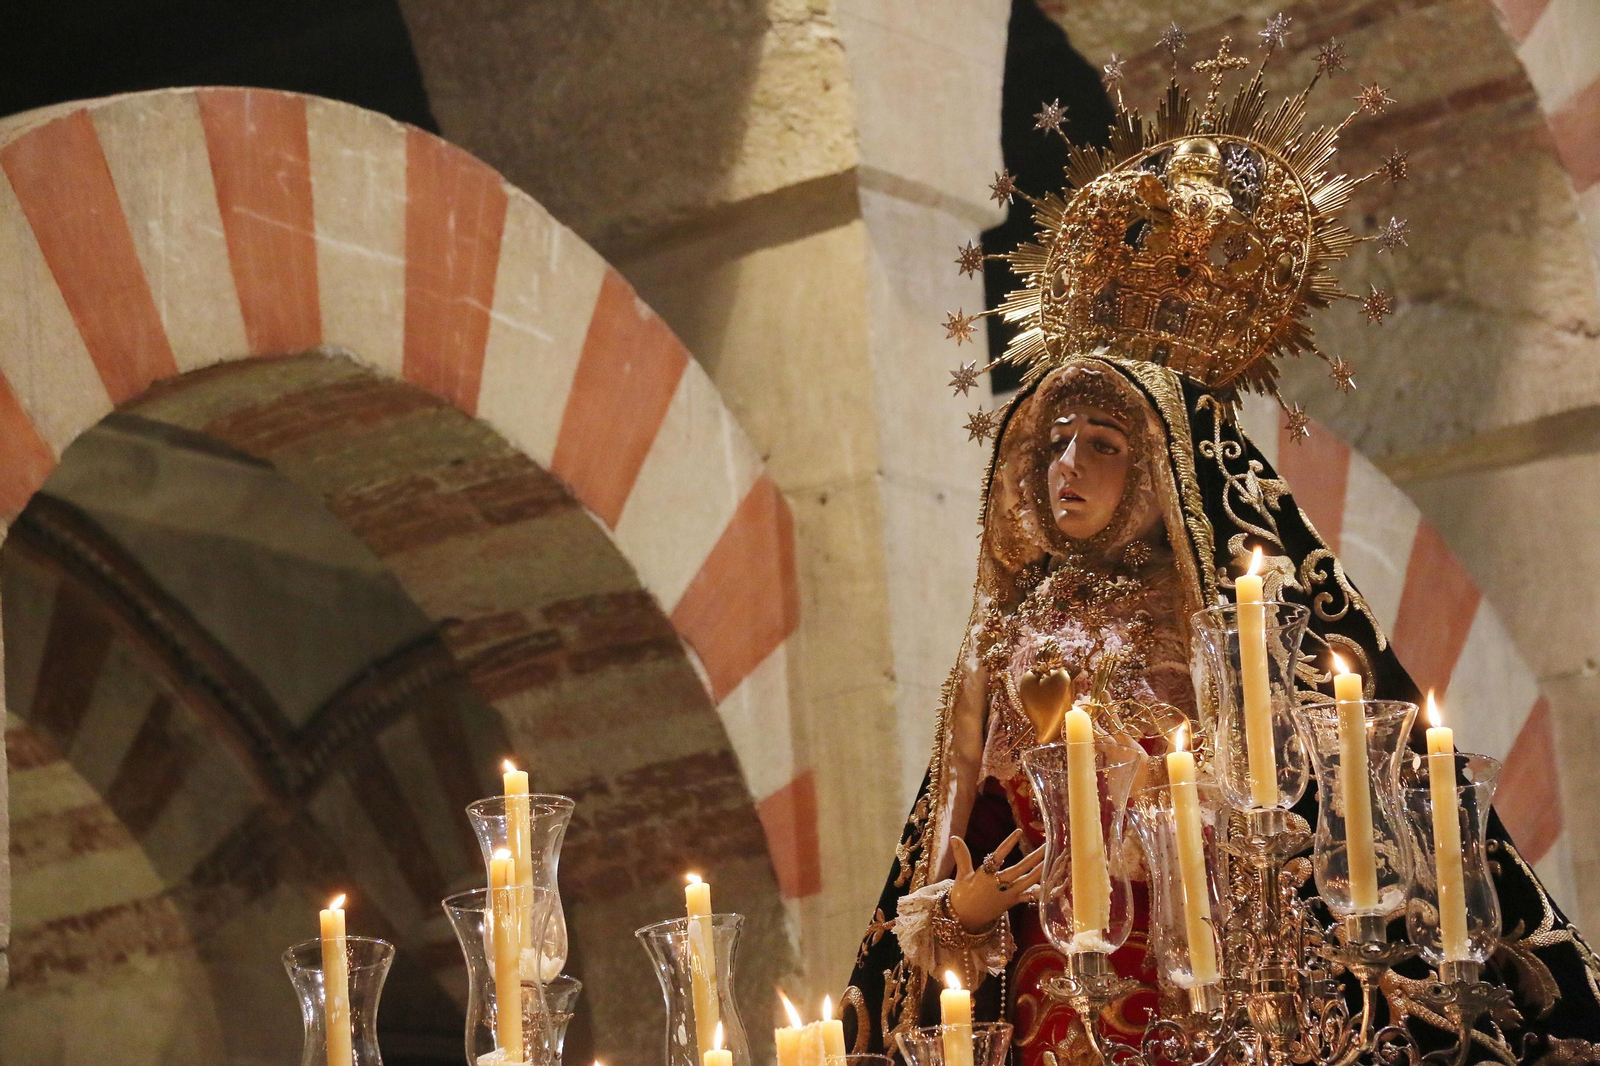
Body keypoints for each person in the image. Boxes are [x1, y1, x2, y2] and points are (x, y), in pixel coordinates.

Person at [839, 39, 1600, 1065]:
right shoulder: (997, 645)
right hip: (1043, 1009)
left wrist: (1160, 793)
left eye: (1102, 445)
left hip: (1216, 992)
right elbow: (943, 871)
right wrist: (965, 909)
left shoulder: (1228, 629)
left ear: (1159, 472)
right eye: (1054, 443)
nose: (1068, 465)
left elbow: (1307, 819)